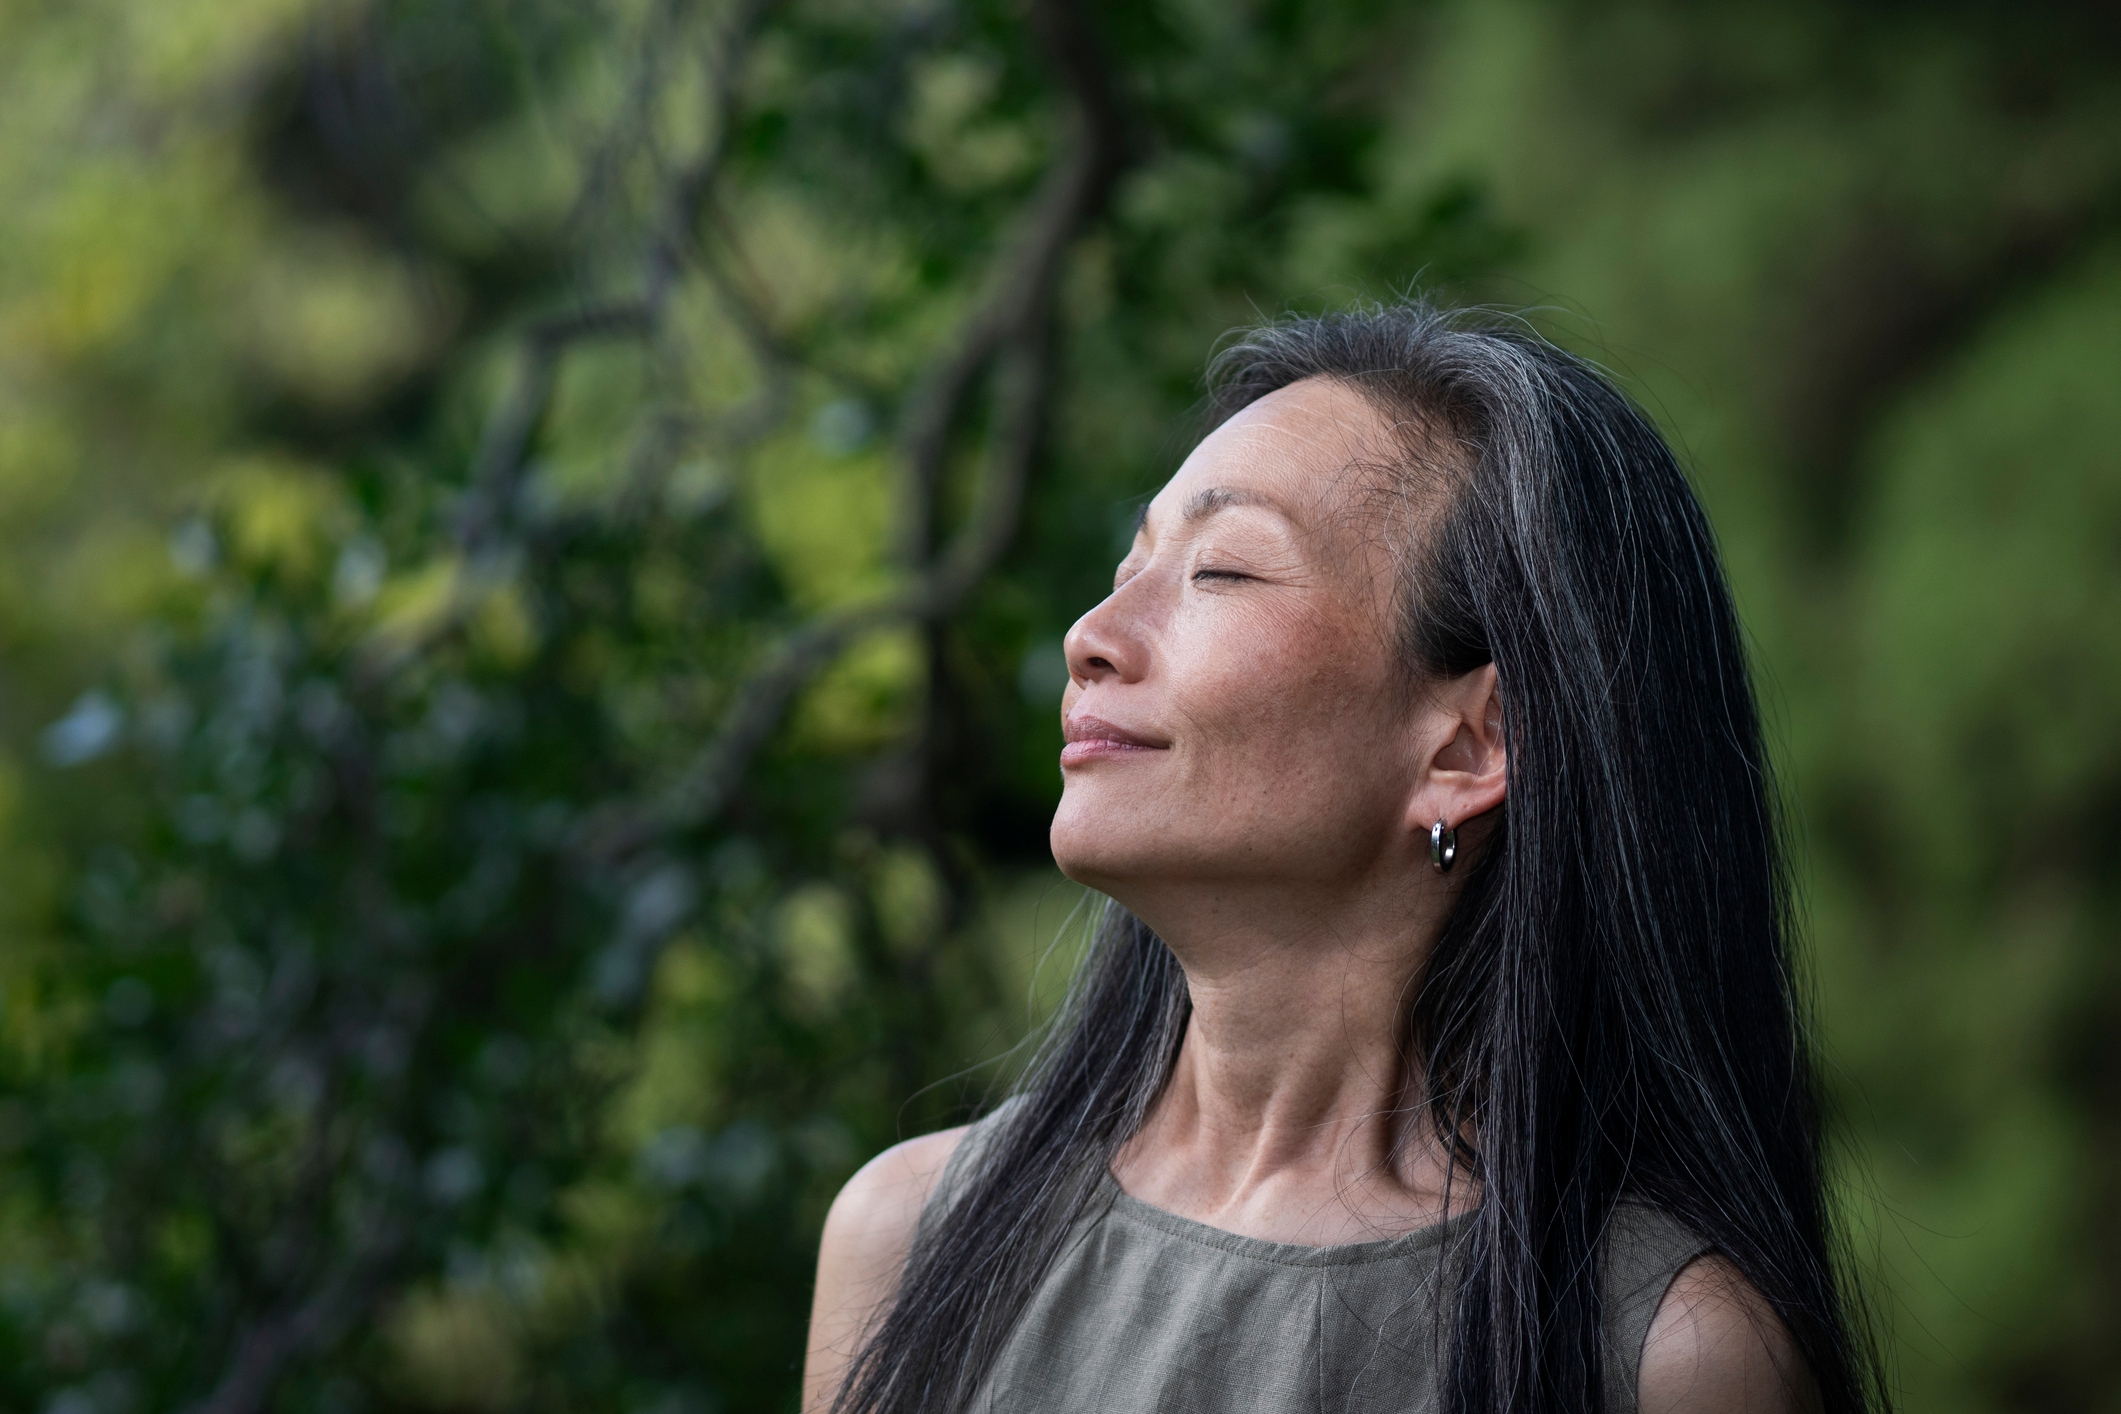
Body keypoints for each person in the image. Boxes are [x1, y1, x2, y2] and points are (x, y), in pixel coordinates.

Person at [802, 302, 1881, 1414]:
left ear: (1470, 743)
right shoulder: (907, 1238)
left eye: (1220, 571)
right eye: (1131, 562)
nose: (1091, 632)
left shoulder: (1671, 1355)